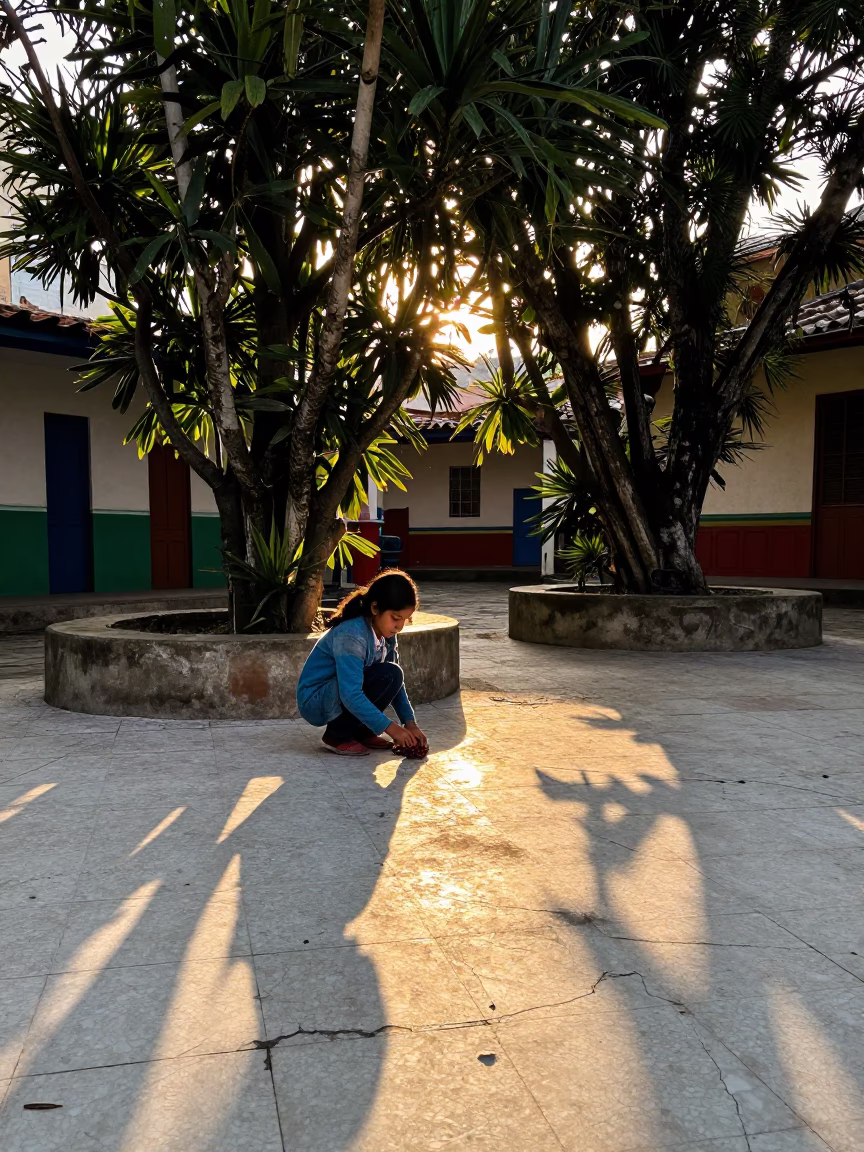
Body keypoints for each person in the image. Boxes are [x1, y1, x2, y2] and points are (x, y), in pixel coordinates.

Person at [296, 569, 429, 757]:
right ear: (375, 609)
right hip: (317, 699)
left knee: (392, 674)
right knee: (383, 675)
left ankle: (362, 731)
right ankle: (337, 736)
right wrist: (392, 729)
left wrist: (409, 723)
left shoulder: (387, 635)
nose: (399, 626)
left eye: (405, 620)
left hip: (342, 690)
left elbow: (396, 685)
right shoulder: (351, 635)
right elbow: (350, 693)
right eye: (396, 618)